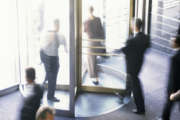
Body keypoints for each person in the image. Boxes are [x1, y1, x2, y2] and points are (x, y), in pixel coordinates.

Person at [115, 18, 150, 114]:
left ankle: (140, 109)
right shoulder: (145, 37)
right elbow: (147, 46)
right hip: (139, 63)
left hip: (132, 66)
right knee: (130, 80)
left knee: (136, 86)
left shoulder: (131, 40)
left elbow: (125, 50)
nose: (130, 26)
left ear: (134, 26)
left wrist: (116, 50)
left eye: (131, 24)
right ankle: (123, 94)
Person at [40, 19, 67, 102]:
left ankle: (45, 80)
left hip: (52, 57)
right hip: (47, 56)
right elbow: (43, 47)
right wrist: (50, 41)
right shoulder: (48, 34)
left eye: (58, 25)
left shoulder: (59, 35)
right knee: (53, 77)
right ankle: (50, 96)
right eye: (56, 25)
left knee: (52, 71)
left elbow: (65, 45)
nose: (57, 27)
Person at [158, 35, 180, 120]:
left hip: (174, 88)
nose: (170, 42)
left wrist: (170, 91)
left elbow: (173, 76)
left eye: (172, 41)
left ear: (176, 43)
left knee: (168, 104)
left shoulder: (174, 58)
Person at [84, 6, 105, 85]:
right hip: (98, 43)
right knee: (94, 60)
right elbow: (101, 30)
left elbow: (85, 31)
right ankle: (96, 76)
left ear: (88, 11)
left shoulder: (86, 21)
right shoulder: (98, 19)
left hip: (91, 43)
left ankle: (95, 78)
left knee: (91, 61)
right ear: (93, 10)